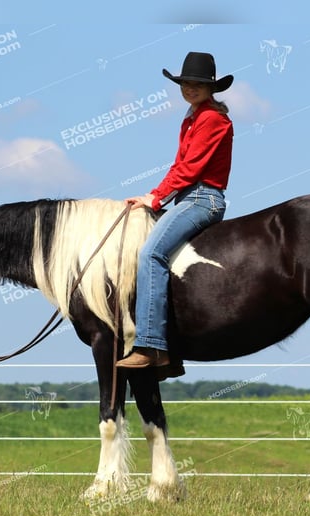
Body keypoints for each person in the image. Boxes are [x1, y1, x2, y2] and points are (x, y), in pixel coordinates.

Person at [116, 51, 234, 369]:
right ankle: (171, 352)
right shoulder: (194, 116)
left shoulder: (211, 119)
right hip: (187, 198)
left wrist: (156, 199)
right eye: (185, 82)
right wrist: (153, 195)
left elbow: (191, 169)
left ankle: (150, 347)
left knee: (151, 255)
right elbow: (179, 166)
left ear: (211, 87)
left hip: (201, 199)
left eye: (198, 83)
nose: (190, 87)